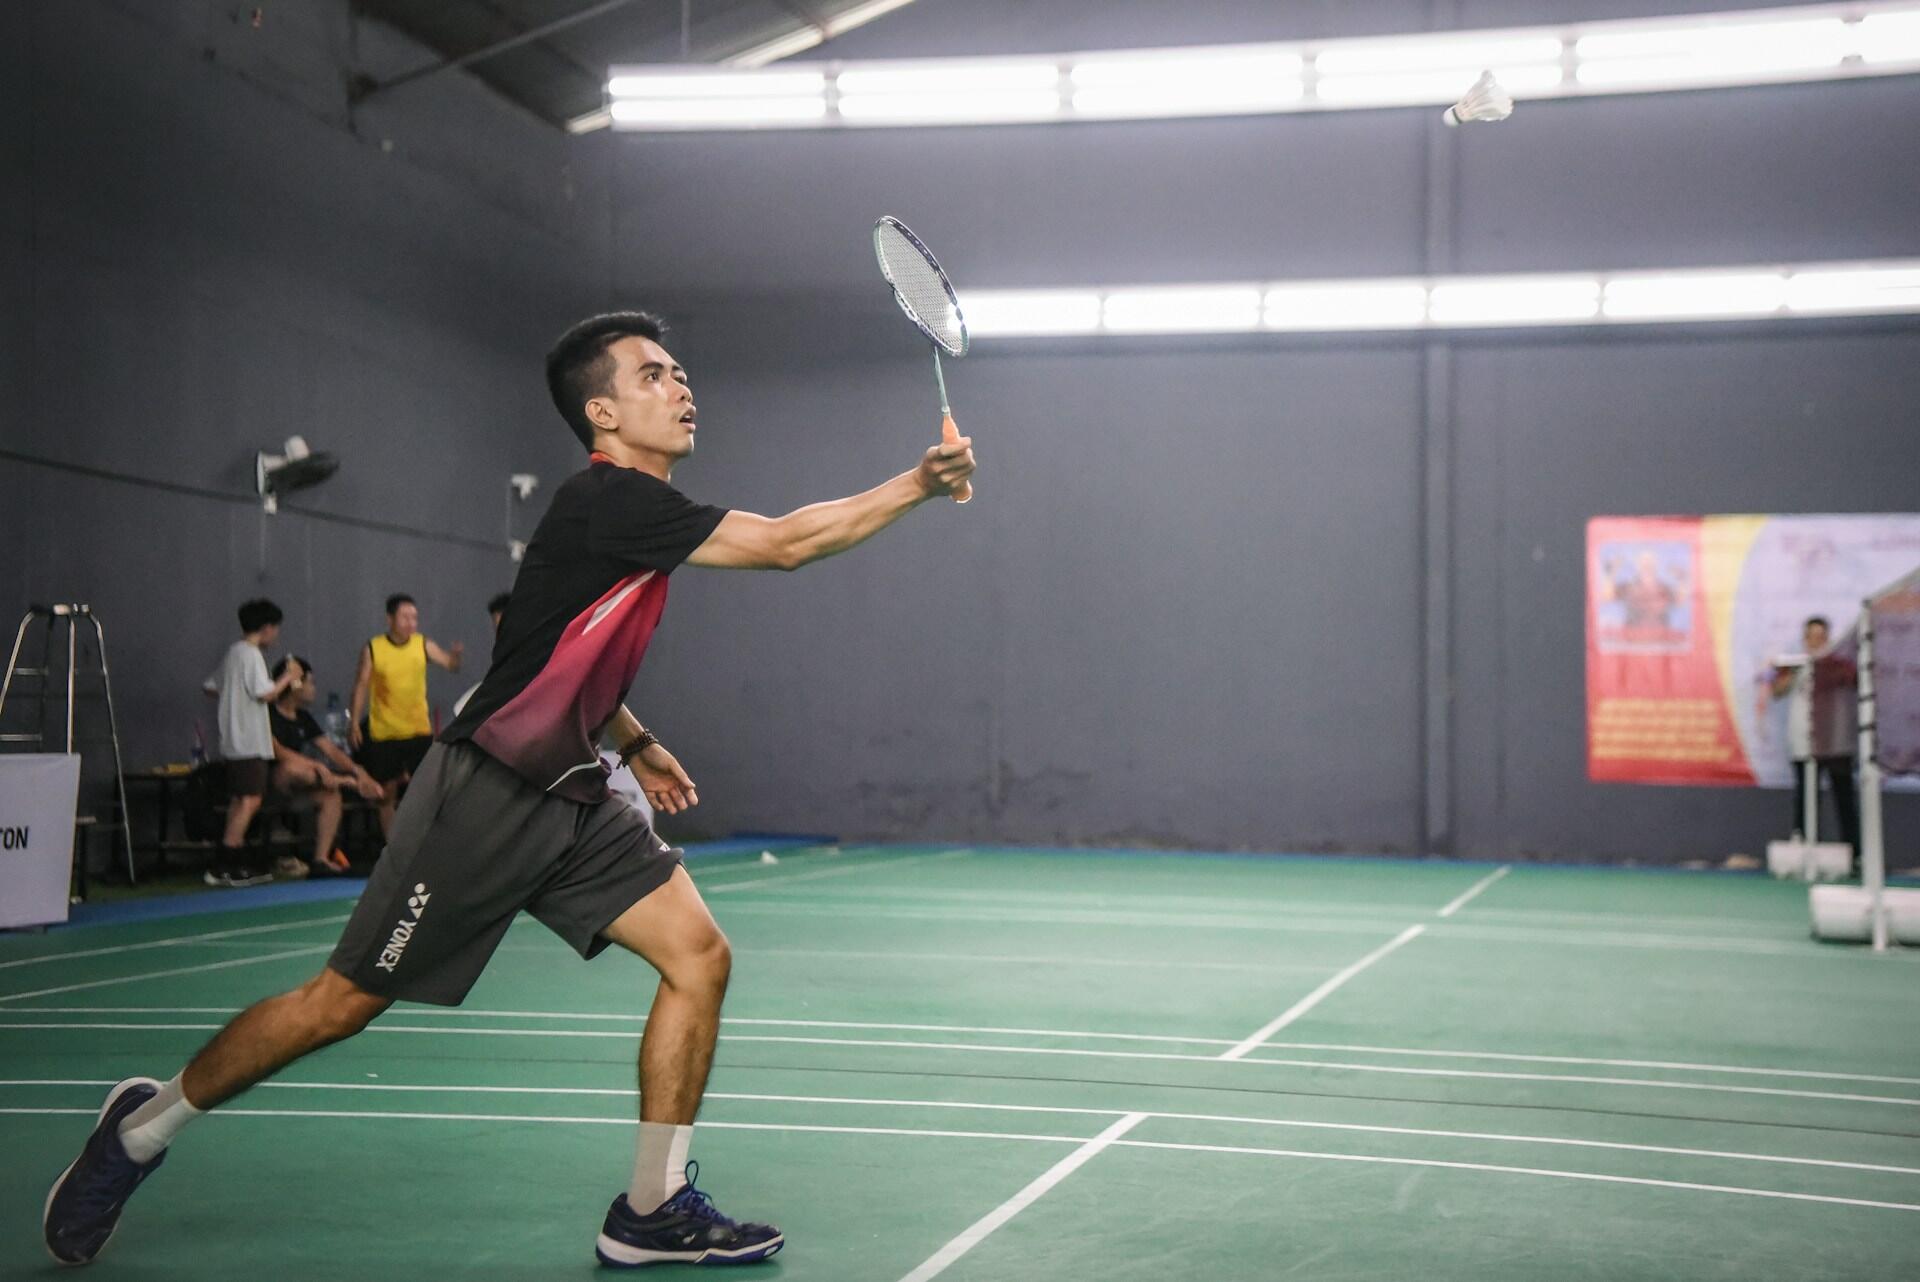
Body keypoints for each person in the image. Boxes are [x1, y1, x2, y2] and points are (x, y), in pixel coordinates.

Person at [43, 310, 977, 1269]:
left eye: (682, 370)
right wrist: (918, 482)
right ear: (603, 413)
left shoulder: (625, 525)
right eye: (655, 375)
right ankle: (139, 1133)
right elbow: (785, 543)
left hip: (573, 790)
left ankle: (651, 1208)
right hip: (484, 795)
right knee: (342, 1005)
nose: (683, 386)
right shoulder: (607, 501)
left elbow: (536, 649)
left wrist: (634, 736)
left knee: (699, 956)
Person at [199, 599, 303, 887]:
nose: (276, 635)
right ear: (267, 628)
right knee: (251, 800)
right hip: (248, 740)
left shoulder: (234, 653)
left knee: (240, 800)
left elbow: (211, 686)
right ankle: (226, 864)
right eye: (275, 629)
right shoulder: (251, 654)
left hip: (233, 739)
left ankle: (226, 861)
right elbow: (264, 693)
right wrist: (288, 677)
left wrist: (233, 699)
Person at [348, 594, 464, 837]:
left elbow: (450, 665)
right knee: (386, 793)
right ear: (389, 619)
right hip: (385, 732)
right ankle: (392, 850)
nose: (411, 622)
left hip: (418, 730)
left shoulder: (422, 644)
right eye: (405, 617)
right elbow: (360, 685)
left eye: (414, 617)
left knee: (426, 789)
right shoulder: (374, 648)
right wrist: (354, 723)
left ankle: (421, 844)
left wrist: (455, 657)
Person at [269, 655, 385, 875]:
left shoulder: (303, 717)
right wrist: (319, 767)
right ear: (295, 684)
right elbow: (279, 753)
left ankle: (320, 860)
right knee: (290, 768)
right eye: (310, 682)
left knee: (331, 794)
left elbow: (331, 750)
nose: (314, 688)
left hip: (302, 787)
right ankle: (342, 781)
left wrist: (358, 771)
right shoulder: (268, 714)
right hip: (273, 787)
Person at [1770, 614, 1860, 863]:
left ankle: (1855, 852)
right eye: (1811, 637)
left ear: (1828, 639)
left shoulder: (1838, 665)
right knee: (1806, 795)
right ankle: (1802, 845)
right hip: (1803, 742)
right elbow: (1776, 692)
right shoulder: (1795, 666)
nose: (1816, 641)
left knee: (1844, 797)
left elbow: (1854, 684)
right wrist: (1785, 673)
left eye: (1821, 637)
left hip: (1836, 743)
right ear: (1804, 639)